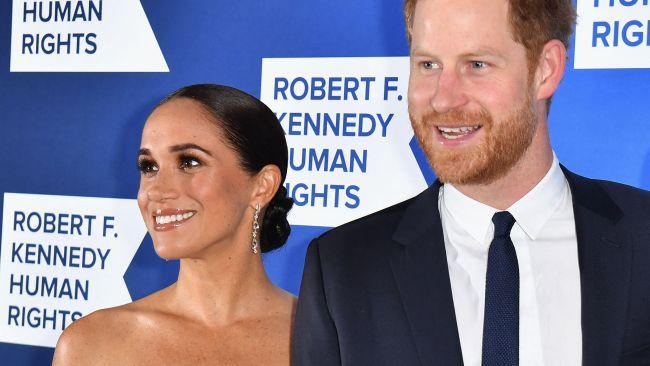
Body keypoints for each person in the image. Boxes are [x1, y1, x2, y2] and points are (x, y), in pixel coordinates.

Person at [292, 0, 650, 365]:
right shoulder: (343, 269)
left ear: (546, 69)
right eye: (428, 64)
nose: (443, 98)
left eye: (477, 65)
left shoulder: (644, 235)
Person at [53, 84, 295, 365]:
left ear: (262, 186)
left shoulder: (326, 338)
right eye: (149, 167)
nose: (155, 191)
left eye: (189, 162)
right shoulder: (92, 344)